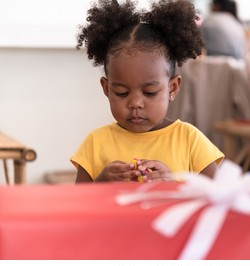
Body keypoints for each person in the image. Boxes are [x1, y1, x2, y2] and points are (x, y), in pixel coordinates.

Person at [71, 0, 224, 183]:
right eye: (121, 92)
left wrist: (174, 184)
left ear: (172, 88)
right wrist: (100, 185)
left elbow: (220, 198)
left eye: (150, 92)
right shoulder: (95, 143)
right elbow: (78, 205)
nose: (135, 103)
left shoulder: (190, 140)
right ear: (106, 89)